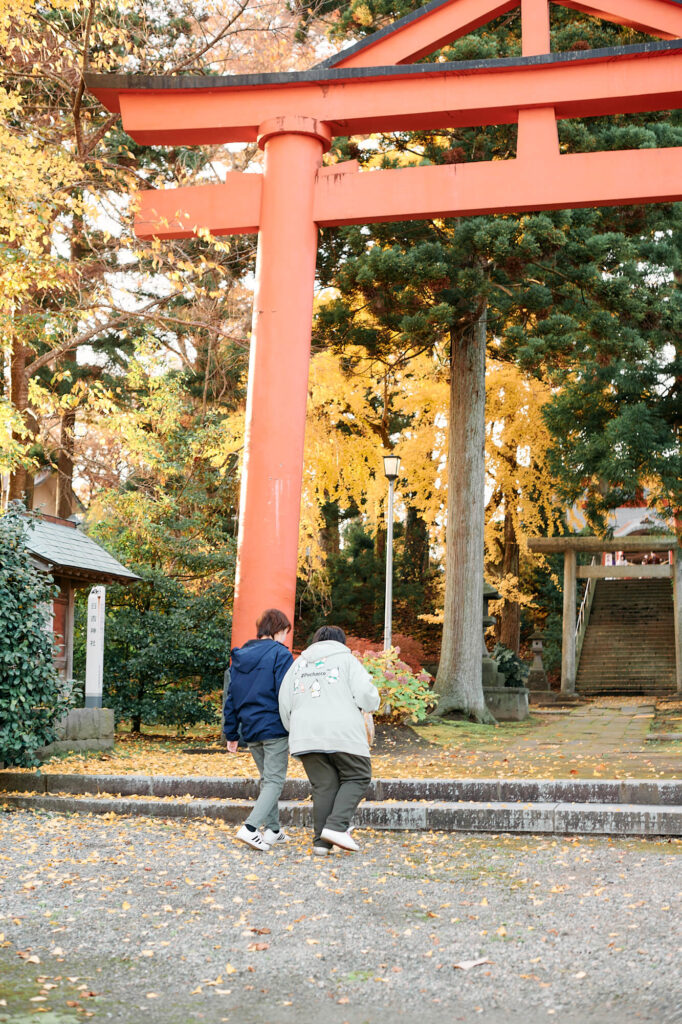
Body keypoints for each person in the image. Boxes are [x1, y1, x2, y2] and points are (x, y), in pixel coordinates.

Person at [278, 624, 380, 856]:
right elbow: (367, 696)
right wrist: (372, 705)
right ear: (341, 642)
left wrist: (293, 729)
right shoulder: (348, 660)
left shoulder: (298, 664)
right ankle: (336, 827)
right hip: (342, 732)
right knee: (358, 775)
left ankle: (321, 844)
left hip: (305, 734)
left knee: (324, 786)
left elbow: (284, 701)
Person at [223, 608, 294, 851]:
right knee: (274, 781)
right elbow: (286, 694)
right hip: (274, 726)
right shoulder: (280, 654)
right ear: (277, 630)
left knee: (267, 780)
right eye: (285, 632)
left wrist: (232, 733)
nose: (285, 637)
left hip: (250, 729)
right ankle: (250, 828)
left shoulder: (241, 656)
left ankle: (273, 830)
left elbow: (231, 698)